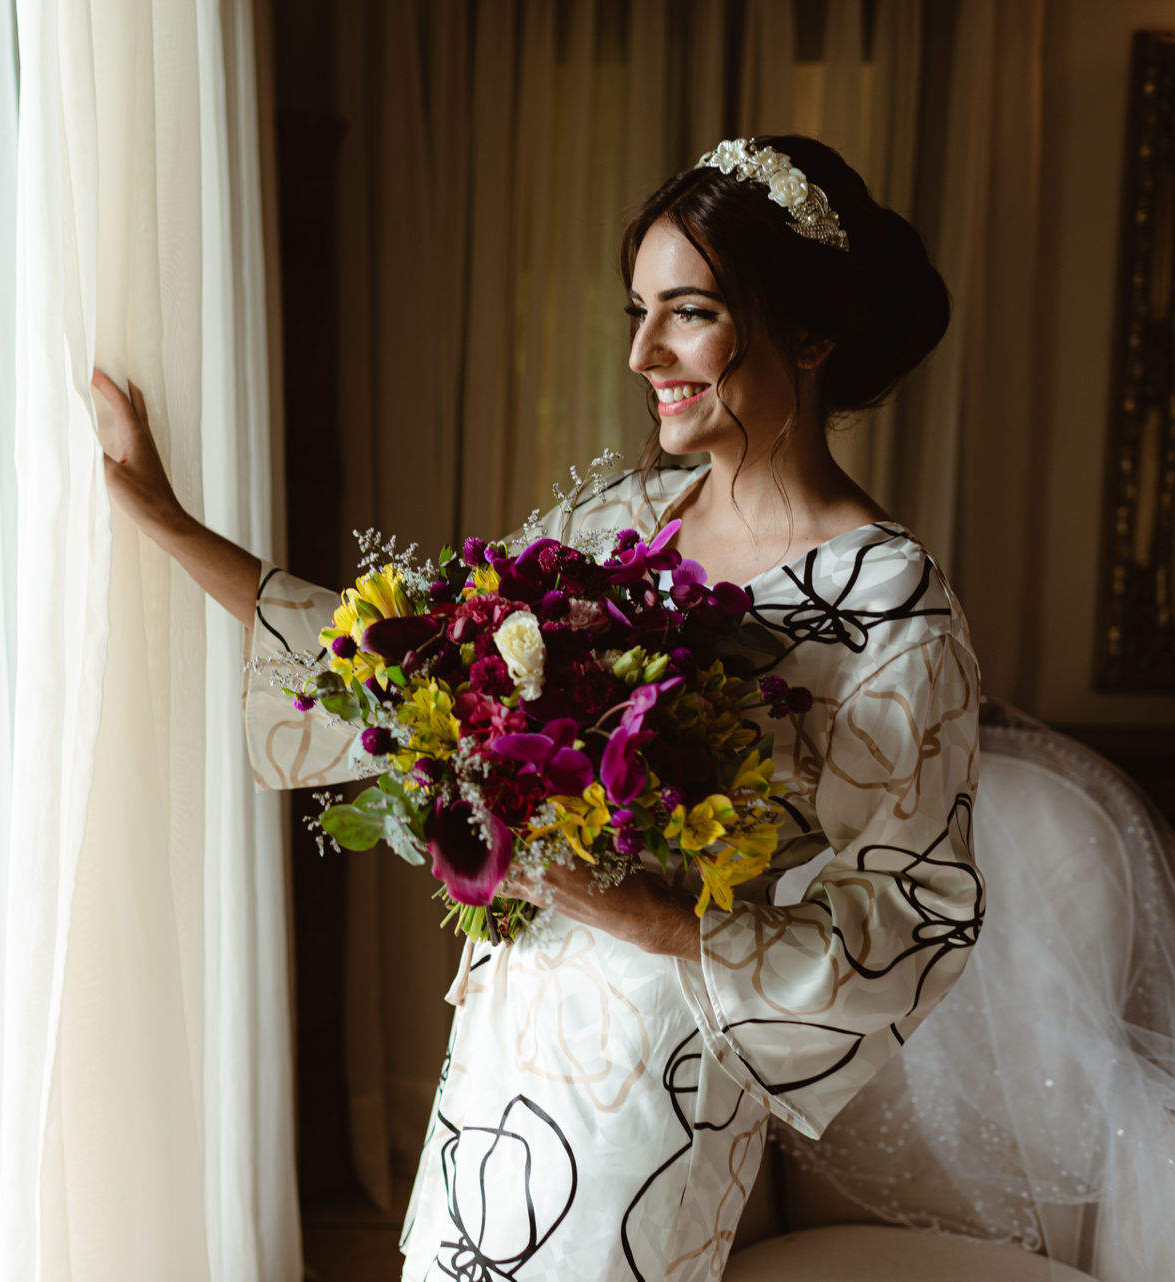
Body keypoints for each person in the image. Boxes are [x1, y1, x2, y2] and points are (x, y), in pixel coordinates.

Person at [96, 135, 981, 1282]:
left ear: (809, 334)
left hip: (661, 1078)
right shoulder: (621, 525)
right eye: (638, 309)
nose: (644, 350)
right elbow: (399, 668)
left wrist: (672, 922)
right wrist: (167, 526)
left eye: (691, 311)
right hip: (511, 1033)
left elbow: (918, 917)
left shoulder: (889, 604)